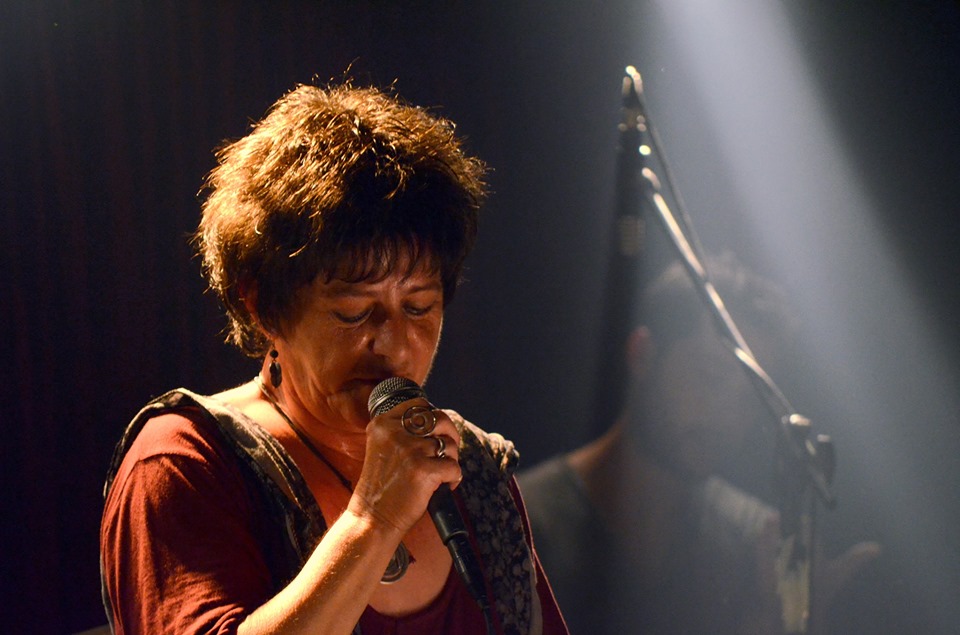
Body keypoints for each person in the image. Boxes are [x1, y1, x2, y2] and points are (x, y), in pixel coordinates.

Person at [100, 81, 568, 635]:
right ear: (262, 305)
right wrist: (373, 518)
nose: (394, 345)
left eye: (419, 307)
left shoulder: (473, 469)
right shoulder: (183, 460)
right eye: (354, 312)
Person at [519, 255, 879, 635]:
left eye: (749, 398)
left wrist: (788, 622)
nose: (729, 414)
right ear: (642, 354)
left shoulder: (755, 544)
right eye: (711, 376)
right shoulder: (520, 523)